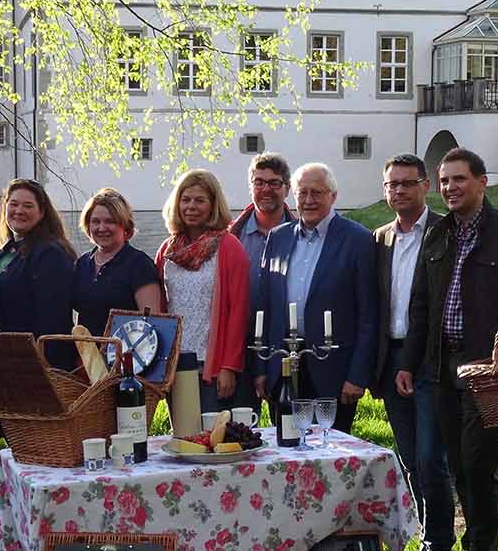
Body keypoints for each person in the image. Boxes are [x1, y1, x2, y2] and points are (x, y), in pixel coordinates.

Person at [398, 148, 498, 551]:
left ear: (481, 182)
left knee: (478, 463)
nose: (451, 188)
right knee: (457, 462)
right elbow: (421, 304)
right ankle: (473, 548)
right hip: (441, 366)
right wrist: (409, 363)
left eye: (459, 179)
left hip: (487, 368)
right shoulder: (437, 236)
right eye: (445, 181)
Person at [256, 163, 377, 435]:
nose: (308, 200)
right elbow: (265, 306)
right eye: (302, 193)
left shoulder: (357, 240)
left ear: (333, 196)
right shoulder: (278, 237)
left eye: (317, 193)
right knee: (286, 446)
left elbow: (369, 314)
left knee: (329, 452)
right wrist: (262, 368)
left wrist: (357, 376)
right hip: (283, 365)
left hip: (333, 370)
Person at [371, 154, 452, 551]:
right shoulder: (381, 237)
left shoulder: (444, 232)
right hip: (392, 358)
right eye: (392, 185)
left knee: (429, 455)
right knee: (407, 456)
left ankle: (439, 539)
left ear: (426, 186)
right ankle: (423, 531)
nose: (399, 190)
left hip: (429, 359)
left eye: (407, 183)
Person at [155, 169, 249, 414]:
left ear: (213, 205)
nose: (191, 207)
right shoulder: (168, 249)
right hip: (175, 364)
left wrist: (229, 367)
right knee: (183, 441)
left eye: (200, 200)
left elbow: (239, 311)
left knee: (212, 442)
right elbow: (160, 308)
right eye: (185, 200)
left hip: (213, 364)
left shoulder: (229, 247)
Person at [229, 152, 294, 412]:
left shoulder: (300, 236)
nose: (266, 189)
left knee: (289, 432)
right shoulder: (232, 238)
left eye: (274, 183)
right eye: (259, 182)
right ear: (251, 187)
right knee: (241, 431)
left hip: (286, 345)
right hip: (240, 346)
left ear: (287, 188)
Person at [0, 178, 77, 369]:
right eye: (13, 204)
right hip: (4, 358)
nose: (19, 211)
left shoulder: (50, 253)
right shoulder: (5, 250)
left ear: (42, 212)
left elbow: (52, 319)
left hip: (34, 364)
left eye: (28, 205)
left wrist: (44, 366)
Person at [72, 188, 162, 336]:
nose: (102, 228)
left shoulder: (139, 264)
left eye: (110, 221)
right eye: (95, 221)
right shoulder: (82, 263)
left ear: (125, 226)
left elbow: (151, 323)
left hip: (124, 355)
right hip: (86, 356)